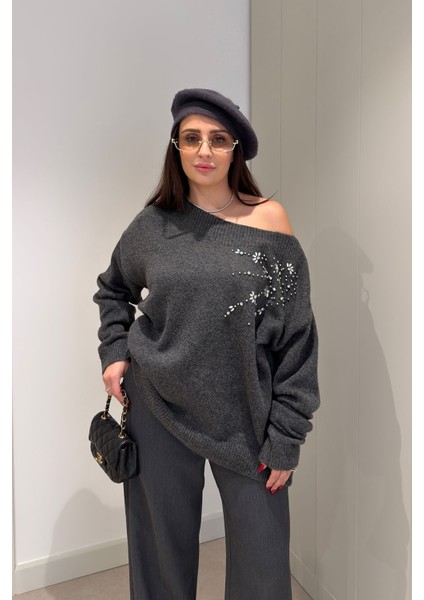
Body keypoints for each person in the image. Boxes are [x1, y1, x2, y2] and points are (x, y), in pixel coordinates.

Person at [93, 88, 320, 600]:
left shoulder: (270, 222)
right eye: (191, 138)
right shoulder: (154, 225)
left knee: (263, 570)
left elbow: (297, 338)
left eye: (218, 139)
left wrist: (287, 436)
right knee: (160, 563)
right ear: (176, 146)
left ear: (236, 149)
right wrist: (115, 352)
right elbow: (112, 289)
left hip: (246, 415)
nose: (204, 150)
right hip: (157, 405)